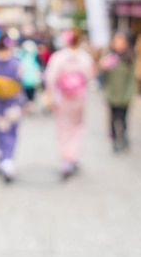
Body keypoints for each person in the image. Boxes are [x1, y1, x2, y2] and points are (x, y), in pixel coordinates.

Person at [45, 30, 95, 180]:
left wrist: (51, 94)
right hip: (79, 97)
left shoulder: (59, 57)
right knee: (77, 126)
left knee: (63, 127)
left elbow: (51, 77)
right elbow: (90, 76)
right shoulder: (85, 58)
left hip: (63, 97)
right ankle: (73, 155)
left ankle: (66, 157)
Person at [0, 36, 24, 183]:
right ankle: (7, 159)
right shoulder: (16, 62)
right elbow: (20, 81)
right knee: (11, 132)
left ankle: (2, 158)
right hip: (12, 103)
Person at [100, 32, 137, 152]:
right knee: (113, 118)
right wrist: (103, 67)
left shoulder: (129, 58)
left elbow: (132, 78)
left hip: (124, 94)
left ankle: (124, 137)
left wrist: (129, 94)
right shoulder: (109, 57)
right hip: (112, 93)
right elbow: (103, 78)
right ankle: (115, 140)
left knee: (123, 118)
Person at [19, 40, 42, 115]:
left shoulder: (33, 57)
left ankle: (29, 107)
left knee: (30, 94)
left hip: (30, 80)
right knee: (29, 95)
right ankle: (29, 107)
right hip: (28, 80)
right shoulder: (24, 57)